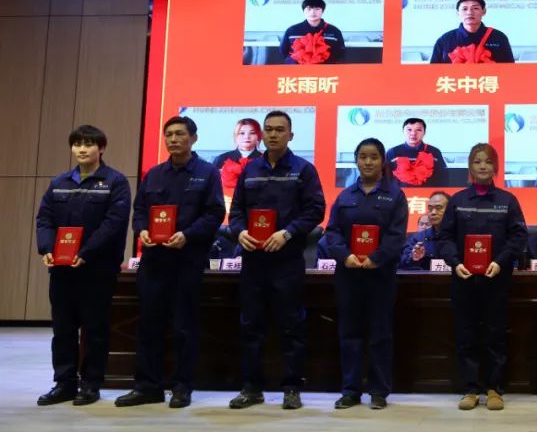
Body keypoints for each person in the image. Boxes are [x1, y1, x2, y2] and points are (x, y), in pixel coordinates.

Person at [116, 116, 225, 409]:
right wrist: (141, 230)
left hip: (187, 260)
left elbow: (214, 214)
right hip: (154, 261)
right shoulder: (154, 174)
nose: (173, 139)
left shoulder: (207, 173)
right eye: (169, 135)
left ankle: (182, 387)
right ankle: (147, 387)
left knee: (183, 326)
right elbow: (140, 210)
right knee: (148, 324)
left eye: (179, 134)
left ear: (194, 138)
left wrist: (187, 235)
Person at [227, 110, 326, 411]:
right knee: (250, 325)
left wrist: (288, 233)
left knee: (291, 325)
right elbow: (237, 211)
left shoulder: (303, 170)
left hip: (287, 259)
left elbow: (315, 210)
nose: (272, 134)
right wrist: (240, 231)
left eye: (279, 130)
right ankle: (251, 388)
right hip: (254, 260)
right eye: (268, 129)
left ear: (290, 135)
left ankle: (292, 388)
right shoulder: (250, 169)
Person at [35, 125, 131, 406]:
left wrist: (86, 252)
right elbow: (44, 219)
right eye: (77, 144)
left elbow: (114, 223)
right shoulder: (59, 182)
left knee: (94, 329)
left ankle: (91, 384)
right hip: (62, 268)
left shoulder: (115, 182)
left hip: (97, 269)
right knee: (63, 329)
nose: (82, 149)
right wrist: (47, 249)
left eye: (88, 144)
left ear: (101, 148)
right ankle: (64, 383)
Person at [439, 143, 528, 411]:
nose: (482, 166)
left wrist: (500, 262)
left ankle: (494, 389)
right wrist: (455, 263)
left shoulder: (507, 200)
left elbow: (518, 237)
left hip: (496, 279)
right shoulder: (457, 201)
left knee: (495, 334)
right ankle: (470, 389)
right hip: (464, 278)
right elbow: (445, 238)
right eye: (477, 161)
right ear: (470, 166)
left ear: (496, 167)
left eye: (488, 162)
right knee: (466, 333)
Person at [321, 138, 408, 410]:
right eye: (362, 157)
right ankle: (351, 390)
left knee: (380, 334)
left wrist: (376, 258)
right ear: (356, 160)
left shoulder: (395, 195)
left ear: (382, 161)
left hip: (380, 275)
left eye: (373, 157)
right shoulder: (345, 196)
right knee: (350, 333)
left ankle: (379, 391)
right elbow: (332, 231)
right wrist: (344, 255)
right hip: (349, 275)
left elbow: (397, 235)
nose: (368, 162)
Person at [430, 0, 515, 64]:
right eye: (464, 9)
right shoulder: (445, 40)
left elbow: (510, 69)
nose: (469, 12)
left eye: (475, 8)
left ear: (484, 11)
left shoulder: (498, 37)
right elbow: (433, 72)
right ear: (457, 13)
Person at [279, 0, 346, 65]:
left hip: (326, 70)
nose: (313, 12)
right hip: (298, 70)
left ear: (322, 11)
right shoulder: (292, 31)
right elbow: (283, 51)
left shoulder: (334, 31)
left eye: (317, 9)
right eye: (309, 9)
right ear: (303, 11)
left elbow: (340, 53)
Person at [386, 118, 450, 187]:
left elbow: (443, 177)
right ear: (403, 131)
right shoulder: (392, 152)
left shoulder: (434, 152)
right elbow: (385, 178)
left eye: (418, 130)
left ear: (424, 132)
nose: (413, 133)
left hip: (428, 192)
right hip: (399, 193)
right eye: (409, 130)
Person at [212, 118, 263, 200]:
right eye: (242, 133)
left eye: (252, 133)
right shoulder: (221, 159)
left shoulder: (266, 160)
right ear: (235, 136)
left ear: (259, 136)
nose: (247, 137)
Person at [399, 192, 449, 270]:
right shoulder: (418, 238)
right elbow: (402, 262)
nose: (433, 212)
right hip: (425, 277)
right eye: (430, 208)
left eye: (438, 208)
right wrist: (414, 258)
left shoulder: (459, 235)